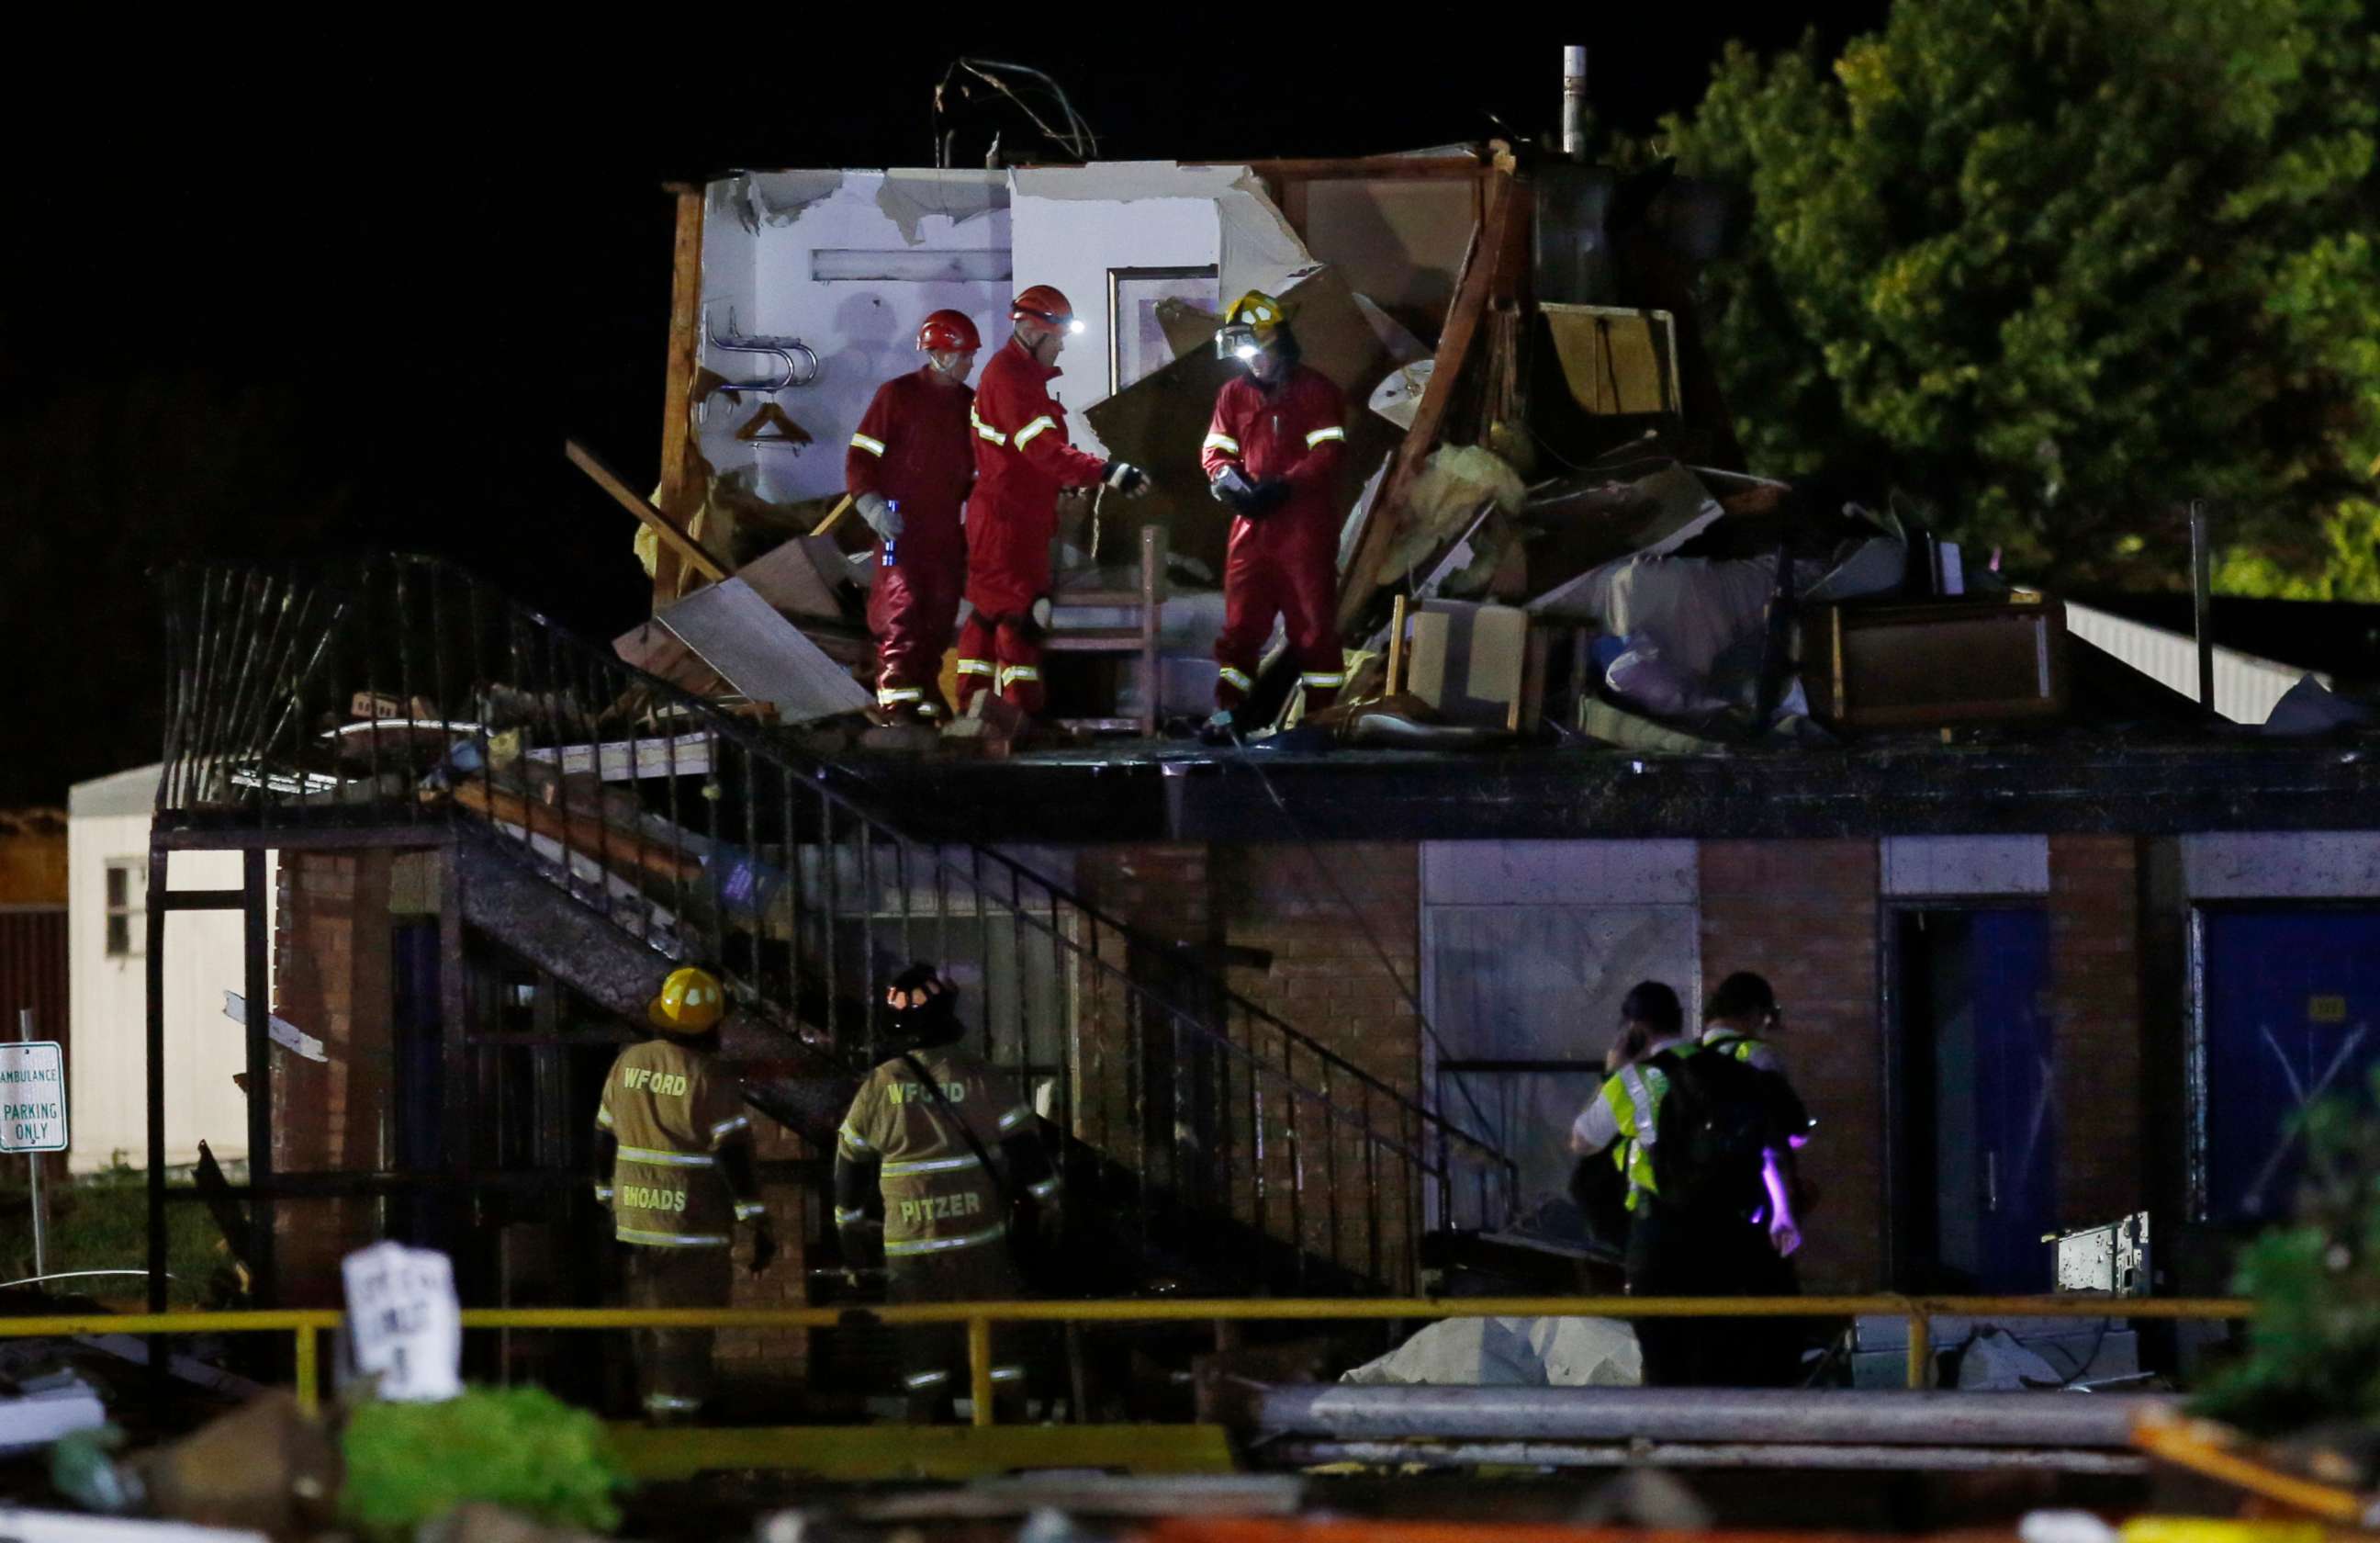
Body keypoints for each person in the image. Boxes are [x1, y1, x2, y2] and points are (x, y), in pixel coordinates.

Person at [834, 963, 1064, 1421]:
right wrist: (1049, 1205)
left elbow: (850, 1168)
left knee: (923, 1365)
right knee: (1000, 1357)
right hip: (980, 1244)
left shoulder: (879, 1087)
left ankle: (935, 1453)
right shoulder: (983, 1077)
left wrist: (850, 1232)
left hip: (912, 1252)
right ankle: (1006, 1451)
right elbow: (1027, 1155)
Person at [1569, 979, 1807, 1388]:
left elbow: (1581, 1143)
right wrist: (1782, 1214)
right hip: (1725, 1237)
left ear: (1634, 1030)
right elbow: (1764, 1148)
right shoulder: (1731, 1072)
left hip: (1657, 1242)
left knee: (1664, 1361)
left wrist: (1612, 1072)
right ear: (1681, 1021)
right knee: (1718, 1356)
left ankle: (1671, 1444)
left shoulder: (1635, 1081)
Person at [957, 285, 1150, 722]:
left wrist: (1063, 485)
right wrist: (1108, 472)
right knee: (1019, 618)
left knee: (992, 617)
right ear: (1031, 331)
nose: (1061, 346)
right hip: (1005, 520)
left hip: (1018, 517)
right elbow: (1042, 451)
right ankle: (1021, 720)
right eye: (1057, 337)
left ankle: (978, 716)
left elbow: (1030, 458)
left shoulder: (1021, 379)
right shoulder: (1009, 379)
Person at [593, 965, 774, 1422]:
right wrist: (756, 1222)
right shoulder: (707, 1075)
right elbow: (733, 1156)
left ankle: (654, 1432)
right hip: (691, 1232)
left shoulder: (628, 1063)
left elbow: (603, 1136)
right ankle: (677, 1442)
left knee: (650, 1337)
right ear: (712, 1024)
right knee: (686, 1343)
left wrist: (605, 1198)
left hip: (633, 1228)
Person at [1197, 291, 1350, 739]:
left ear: (1278, 342)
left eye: (1257, 351)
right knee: (1240, 628)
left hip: (1303, 526)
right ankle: (1229, 716)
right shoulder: (1233, 394)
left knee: (1313, 629)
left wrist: (1286, 484)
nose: (1252, 362)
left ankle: (1321, 721)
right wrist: (1230, 484)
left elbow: (1329, 450)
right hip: (1251, 527)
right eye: (1244, 353)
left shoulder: (1316, 390)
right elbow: (1216, 449)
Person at [848, 310, 981, 724]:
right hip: (895, 524)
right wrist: (871, 506)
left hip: (943, 528)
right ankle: (896, 704)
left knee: (940, 612)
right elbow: (861, 456)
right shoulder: (897, 395)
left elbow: (977, 467)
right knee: (900, 608)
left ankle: (924, 694)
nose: (969, 363)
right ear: (938, 353)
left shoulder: (967, 403)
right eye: (963, 355)